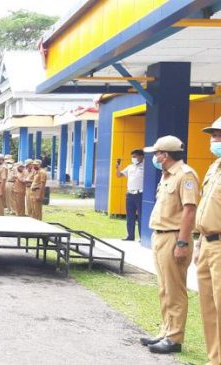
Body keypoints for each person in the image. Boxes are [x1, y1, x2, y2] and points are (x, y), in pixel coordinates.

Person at [141, 135, 198, 354]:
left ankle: (174, 338)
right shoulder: (166, 175)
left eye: (156, 154)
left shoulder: (185, 175)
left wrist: (182, 242)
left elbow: (189, 210)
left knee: (174, 289)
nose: (155, 157)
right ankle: (165, 331)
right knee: (164, 288)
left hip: (175, 236)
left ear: (165, 155)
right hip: (161, 235)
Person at [195, 117, 221, 365]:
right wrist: (198, 242)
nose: (215, 140)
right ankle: (215, 359)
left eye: (219, 135)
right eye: (213, 135)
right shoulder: (214, 168)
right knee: (209, 308)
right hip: (207, 243)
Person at [116, 149, 145, 241]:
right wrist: (117, 168)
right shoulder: (130, 167)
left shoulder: (146, 166)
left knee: (141, 216)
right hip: (130, 194)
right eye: (132, 157)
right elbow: (119, 175)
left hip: (140, 194)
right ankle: (130, 236)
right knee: (130, 216)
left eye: (135, 156)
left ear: (141, 156)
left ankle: (142, 237)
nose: (133, 158)